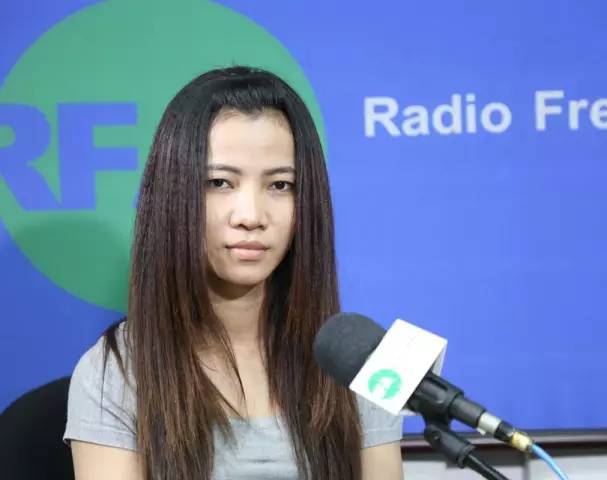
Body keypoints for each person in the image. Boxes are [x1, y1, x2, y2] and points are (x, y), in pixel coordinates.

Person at [63, 65, 403, 480]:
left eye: (280, 185)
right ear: (174, 194)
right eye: (220, 183)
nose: (251, 216)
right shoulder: (116, 371)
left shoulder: (358, 363)